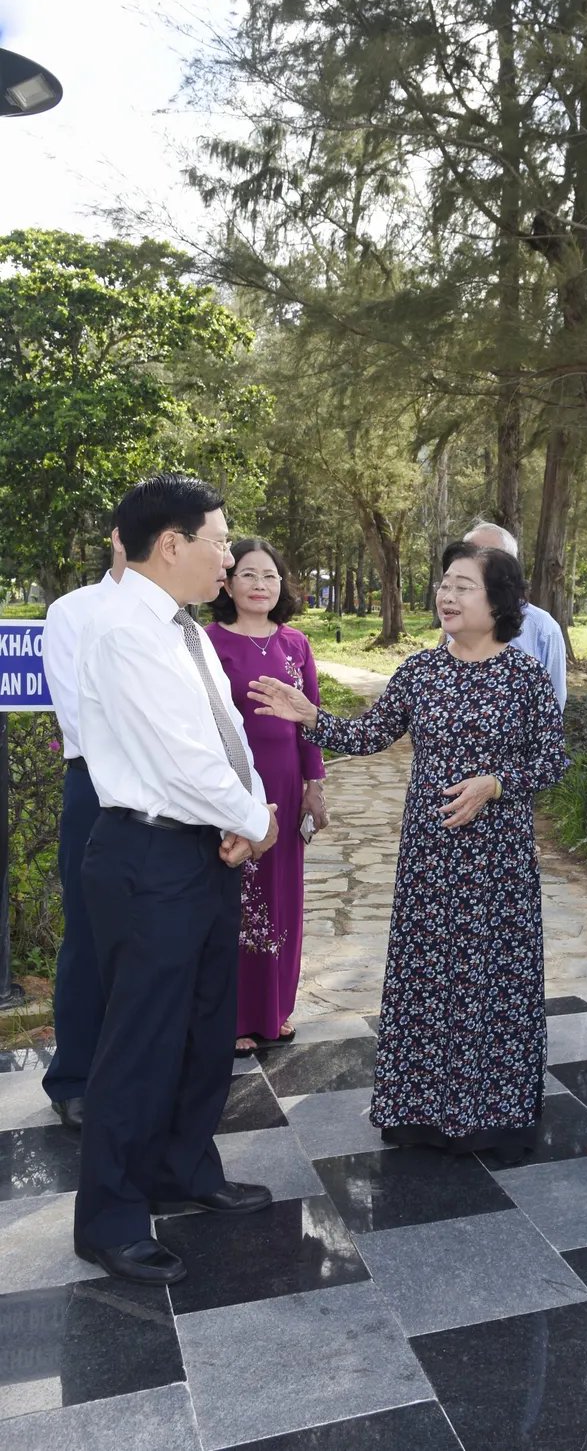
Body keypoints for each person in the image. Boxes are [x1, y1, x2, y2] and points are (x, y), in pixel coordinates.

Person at [251, 541, 568, 1162]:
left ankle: (491, 1118)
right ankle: (420, 1112)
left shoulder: (523, 674)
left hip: (497, 862)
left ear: (499, 600)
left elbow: (553, 758)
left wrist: (497, 783)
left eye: (463, 586)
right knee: (427, 978)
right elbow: (369, 734)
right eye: (444, 585)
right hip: (428, 858)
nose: (446, 597)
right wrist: (309, 715)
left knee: (491, 981)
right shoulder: (422, 672)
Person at [73, 474, 279, 1286]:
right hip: (148, 855)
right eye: (220, 541)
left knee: (203, 1026)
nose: (229, 556)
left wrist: (247, 811)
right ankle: (111, 1217)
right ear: (172, 544)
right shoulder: (127, 631)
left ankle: (184, 1168)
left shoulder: (180, 629)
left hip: (201, 849)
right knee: (140, 1042)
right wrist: (254, 820)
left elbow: (224, 734)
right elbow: (183, 761)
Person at [205, 538, 328, 1053]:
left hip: (285, 781)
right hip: (231, 786)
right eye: (249, 575)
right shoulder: (206, 641)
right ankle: (235, 1018)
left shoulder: (295, 644)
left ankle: (275, 1010)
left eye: (270, 576)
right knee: (236, 900)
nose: (260, 585)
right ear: (228, 583)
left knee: (283, 898)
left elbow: (312, 718)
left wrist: (313, 784)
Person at [40, 531, 127, 1130]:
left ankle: (134, 1071)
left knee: (152, 938)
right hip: (97, 787)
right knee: (89, 934)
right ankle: (74, 1075)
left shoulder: (180, 621)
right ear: (122, 537)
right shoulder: (73, 612)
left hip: (171, 796)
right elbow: (81, 717)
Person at [462, 522, 567, 709]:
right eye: (467, 555)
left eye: (487, 556)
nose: (474, 564)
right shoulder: (455, 620)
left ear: (510, 569)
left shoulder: (542, 629)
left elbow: (554, 703)